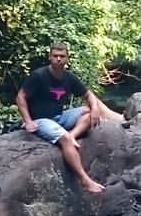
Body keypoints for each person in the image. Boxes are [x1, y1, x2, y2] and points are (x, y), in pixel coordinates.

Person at [15, 41, 119, 194]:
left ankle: (73, 135)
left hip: (59, 117)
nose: (58, 59)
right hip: (40, 120)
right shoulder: (39, 76)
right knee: (64, 140)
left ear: (67, 59)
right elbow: (20, 97)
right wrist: (28, 121)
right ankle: (84, 180)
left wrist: (95, 108)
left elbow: (88, 95)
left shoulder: (68, 78)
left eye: (62, 56)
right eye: (55, 56)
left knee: (87, 111)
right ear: (50, 57)